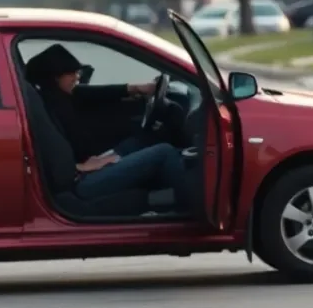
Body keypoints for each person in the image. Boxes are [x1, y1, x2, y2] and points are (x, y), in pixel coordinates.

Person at [26, 43, 191, 212]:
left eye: (77, 72)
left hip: (84, 168)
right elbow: (49, 158)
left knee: (141, 141)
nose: (77, 77)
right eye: (71, 74)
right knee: (165, 152)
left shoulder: (57, 98)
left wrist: (133, 89)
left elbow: (85, 93)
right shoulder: (47, 107)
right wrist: (80, 167)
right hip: (81, 182)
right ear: (55, 78)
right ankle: (190, 208)